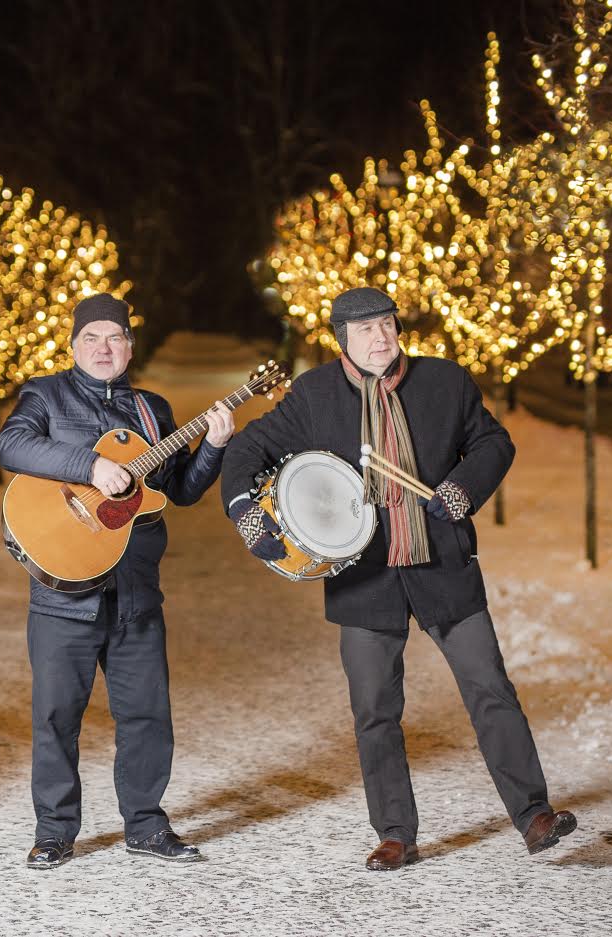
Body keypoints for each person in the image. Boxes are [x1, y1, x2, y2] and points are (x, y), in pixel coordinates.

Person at [220, 286, 576, 871]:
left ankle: (534, 814)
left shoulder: (446, 382)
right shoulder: (312, 396)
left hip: (442, 565)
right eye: (365, 330)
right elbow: (247, 452)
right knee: (375, 709)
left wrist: (463, 489)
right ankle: (395, 832)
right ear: (343, 340)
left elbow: (492, 442)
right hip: (364, 578)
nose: (379, 337)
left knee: (490, 689)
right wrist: (247, 511)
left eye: (386, 325)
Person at [0, 293, 233, 869]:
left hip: (135, 589)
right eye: (92, 338)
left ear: (130, 346)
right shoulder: (46, 394)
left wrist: (216, 446)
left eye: (116, 338)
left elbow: (178, 489)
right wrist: (90, 467)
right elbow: (12, 444)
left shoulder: (152, 410)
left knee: (148, 713)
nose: (104, 349)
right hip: (63, 591)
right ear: (73, 345)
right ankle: (55, 831)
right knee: (56, 715)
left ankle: (146, 825)